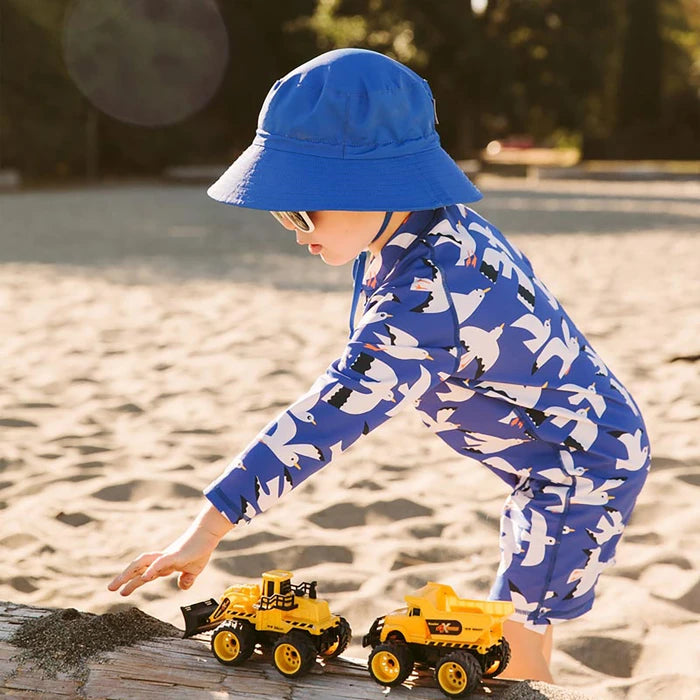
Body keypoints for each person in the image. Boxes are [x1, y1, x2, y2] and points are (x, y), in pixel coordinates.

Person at [108, 49, 650, 682]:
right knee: (509, 624)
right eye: (283, 213)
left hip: (580, 466)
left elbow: (326, 417)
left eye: (304, 211)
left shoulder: (429, 292)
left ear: (378, 188)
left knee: (511, 651)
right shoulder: (409, 229)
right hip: (559, 447)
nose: (294, 230)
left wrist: (207, 529)